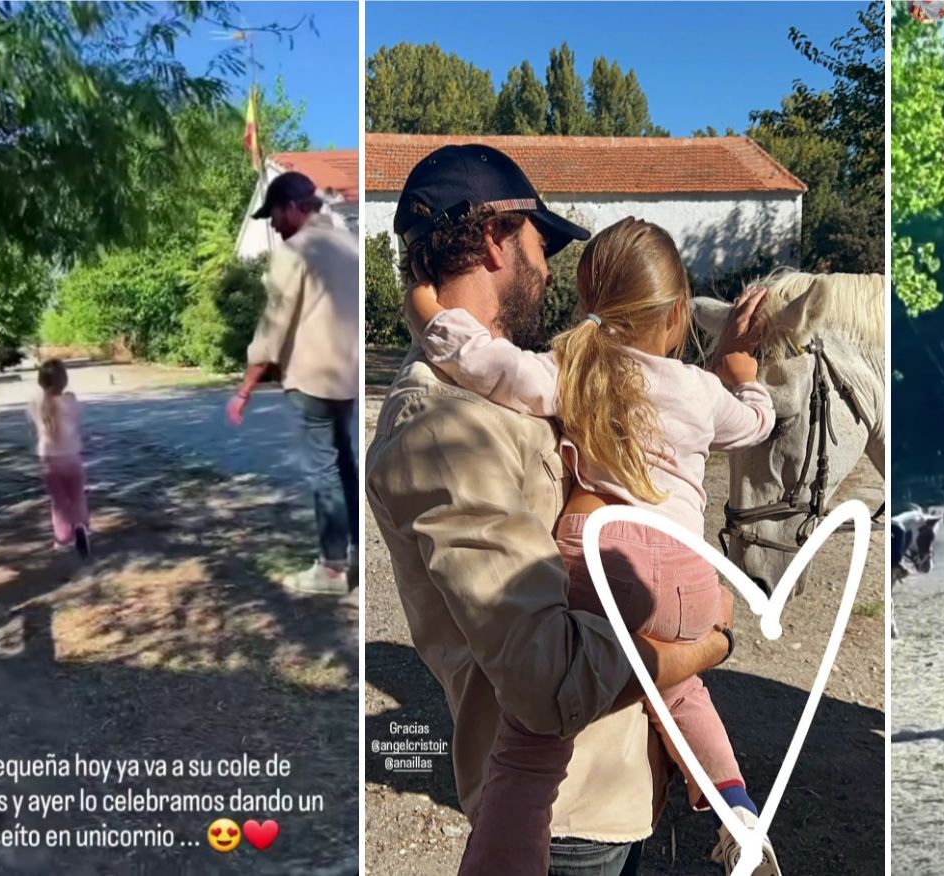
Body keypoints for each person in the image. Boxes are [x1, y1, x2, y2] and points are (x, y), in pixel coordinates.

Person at [367, 144, 735, 876]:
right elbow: (546, 682)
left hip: (618, 788)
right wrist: (706, 645)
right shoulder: (442, 426)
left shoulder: (513, 388)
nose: (549, 268)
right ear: (498, 239)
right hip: (568, 824)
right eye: (542, 244)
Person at [228, 171, 360, 595]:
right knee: (344, 464)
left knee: (324, 470)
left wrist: (245, 387)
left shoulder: (295, 251)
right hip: (348, 375)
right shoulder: (347, 244)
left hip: (312, 378)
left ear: (291, 208)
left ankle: (332, 569)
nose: (273, 225)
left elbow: (274, 324)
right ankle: (355, 552)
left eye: (274, 215)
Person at [26, 359, 90, 559]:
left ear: (41, 381)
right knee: (77, 496)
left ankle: (63, 538)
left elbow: (33, 418)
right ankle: (81, 525)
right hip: (72, 457)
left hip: (50, 462)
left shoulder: (36, 405)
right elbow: (78, 416)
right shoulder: (71, 400)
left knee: (59, 502)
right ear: (64, 380)